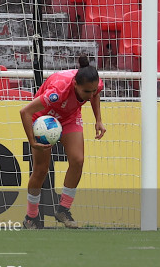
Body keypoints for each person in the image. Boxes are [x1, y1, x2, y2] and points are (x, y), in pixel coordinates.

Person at [19, 55, 106, 229]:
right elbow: (25, 112)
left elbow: (95, 94)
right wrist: (32, 141)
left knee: (77, 160)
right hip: (44, 119)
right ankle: (31, 217)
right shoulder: (57, 91)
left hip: (69, 117)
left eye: (93, 90)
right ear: (75, 85)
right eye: (86, 92)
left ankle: (63, 210)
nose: (90, 95)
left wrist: (98, 119)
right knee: (41, 170)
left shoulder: (94, 84)